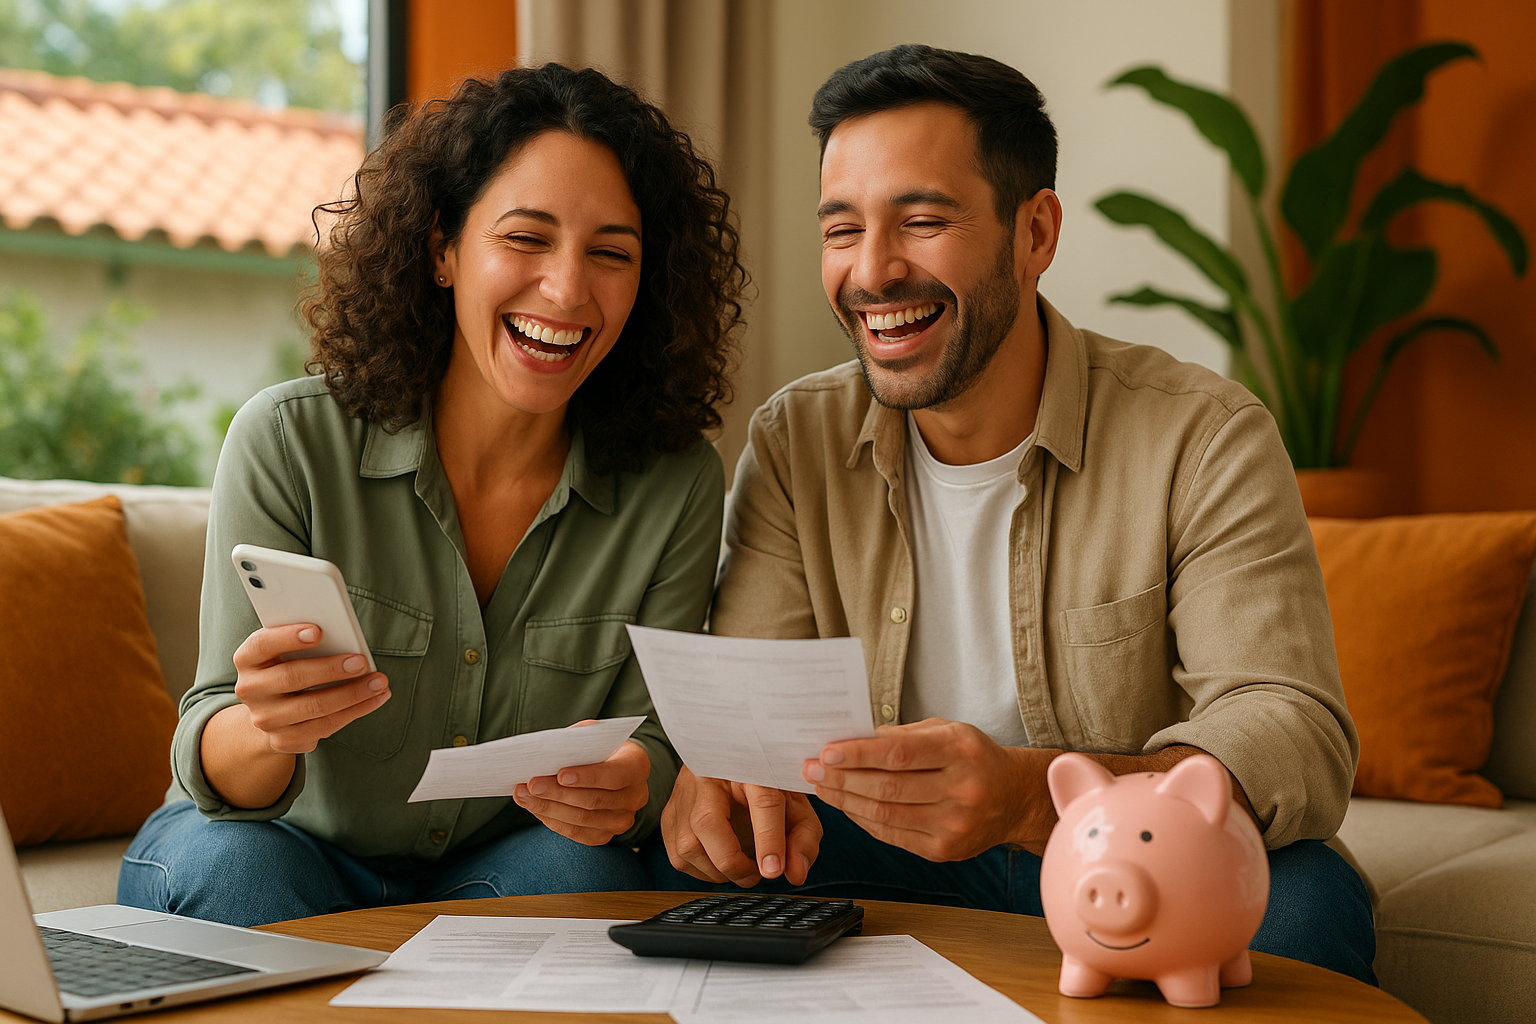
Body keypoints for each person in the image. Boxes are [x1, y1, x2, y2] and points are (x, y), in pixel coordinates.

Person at [645, 44, 1376, 984]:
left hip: (1124, 854)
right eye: (841, 230)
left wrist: (1035, 802)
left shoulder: (1201, 433)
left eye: (922, 220)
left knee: (1304, 910)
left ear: (1036, 233)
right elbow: (752, 732)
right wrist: (731, 792)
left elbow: (1293, 725)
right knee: (685, 871)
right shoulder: (797, 439)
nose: (873, 272)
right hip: (876, 848)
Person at [118, 63, 745, 927]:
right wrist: (268, 727)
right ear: (442, 249)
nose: (567, 290)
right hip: (273, 840)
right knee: (235, 872)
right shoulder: (290, 442)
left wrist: (634, 786)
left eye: (610, 253)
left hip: (493, 863)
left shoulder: (675, 486)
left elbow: (661, 743)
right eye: (526, 239)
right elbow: (215, 755)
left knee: (582, 875)